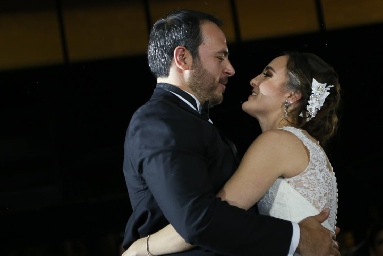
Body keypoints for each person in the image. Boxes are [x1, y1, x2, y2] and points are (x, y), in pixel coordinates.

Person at [121, 8, 340, 256]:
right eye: (220, 57)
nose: (232, 70)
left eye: (267, 74)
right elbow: (201, 219)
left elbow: (212, 217)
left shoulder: (278, 142)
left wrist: (142, 248)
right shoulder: (158, 121)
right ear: (182, 58)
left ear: (293, 95)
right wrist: (298, 236)